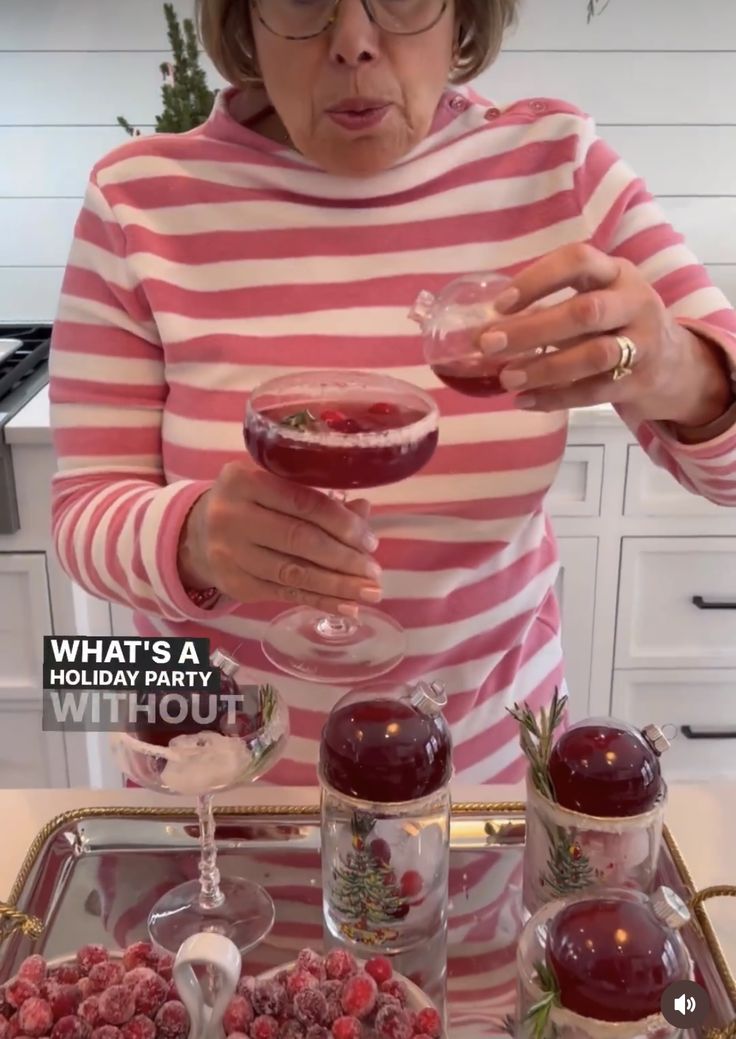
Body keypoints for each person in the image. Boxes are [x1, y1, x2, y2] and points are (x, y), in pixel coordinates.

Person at [50, 0, 736, 788]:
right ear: (245, 20)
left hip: (479, 790)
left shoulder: (560, 169)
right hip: (219, 787)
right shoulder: (139, 199)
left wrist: (679, 368)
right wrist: (193, 539)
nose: (353, 44)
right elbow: (81, 514)